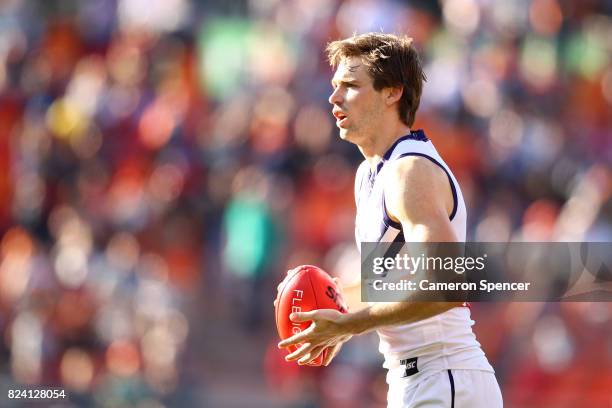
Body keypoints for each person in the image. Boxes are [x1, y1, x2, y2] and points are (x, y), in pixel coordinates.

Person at [278, 33, 503, 407]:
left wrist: (348, 325)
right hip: (420, 379)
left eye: (350, 85)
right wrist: (331, 309)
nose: (334, 98)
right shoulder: (370, 174)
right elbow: (387, 284)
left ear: (392, 92)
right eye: (335, 86)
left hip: (444, 376)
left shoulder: (409, 171)